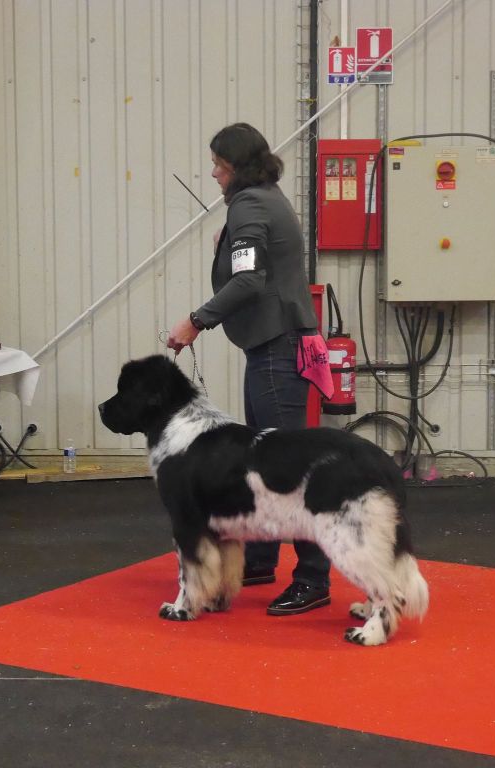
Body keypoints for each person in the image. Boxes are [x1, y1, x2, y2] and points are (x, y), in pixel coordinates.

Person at [166, 122, 332, 616]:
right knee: (261, 459)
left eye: (218, 164)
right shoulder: (263, 198)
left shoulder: (251, 204)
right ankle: (260, 555)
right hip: (271, 346)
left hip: (276, 346)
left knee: (288, 467)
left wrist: (196, 321)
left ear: (236, 167)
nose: (213, 173)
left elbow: (250, 282)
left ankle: (313, 577)